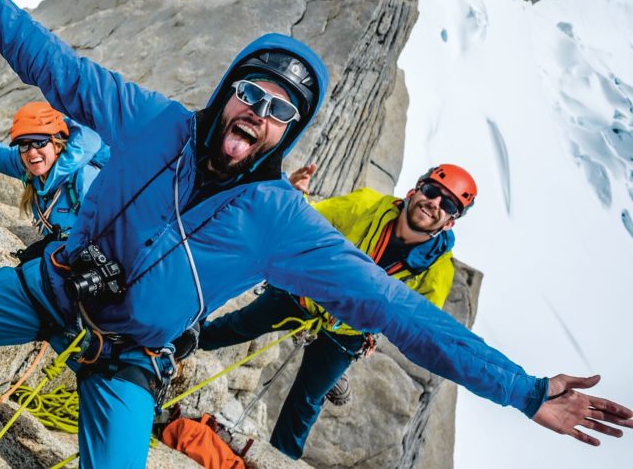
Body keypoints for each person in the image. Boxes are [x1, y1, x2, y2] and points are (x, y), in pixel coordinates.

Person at [0, 0, 632, 468]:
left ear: (287, 132)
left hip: (127, 358)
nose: (258, 113)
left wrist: (526, 391)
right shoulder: (154, 122)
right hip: (51, 287)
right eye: (251, 93)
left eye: (279, 111)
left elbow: (400, 310)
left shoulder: (278, 220)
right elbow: (58, 69)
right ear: (228, 91)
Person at [199, 162, 478, 458]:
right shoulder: (368, 205)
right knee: (237, 326)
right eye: (432, 191)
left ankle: (278, 462)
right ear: (416, 189)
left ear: (450, 221)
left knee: (306, 401)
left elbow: (416, 323)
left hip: (348, 331)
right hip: (306, 294)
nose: (433, 203)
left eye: (446, 203)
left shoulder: (437, 271)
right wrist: (294, 196)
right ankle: (169, 352)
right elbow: (315, 217)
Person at [0, 83, 108, 259]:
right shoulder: (27, 165)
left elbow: (113, 231)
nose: (31, 152)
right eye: (24, 144)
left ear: (57, 143)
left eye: (39, 142)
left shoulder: (84, 178)